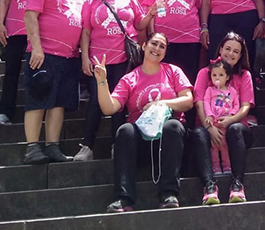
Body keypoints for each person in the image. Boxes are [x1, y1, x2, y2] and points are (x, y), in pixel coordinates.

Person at [93, 32, 193, 211]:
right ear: (144, 45)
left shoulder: (172, 71)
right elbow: (109, 108)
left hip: (170, 141)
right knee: (125, 130)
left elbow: (187, 101)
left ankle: (169, 193)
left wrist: (160, 103)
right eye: (154, 44)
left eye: (162, 46)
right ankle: (123, 198)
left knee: (173, 125)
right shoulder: (130, 78)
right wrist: (102, 82)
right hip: (142, 142)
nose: (157, 49)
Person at [75, 0, 144, 162]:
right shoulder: (90, 1)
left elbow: (140, 23)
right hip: (99, 61)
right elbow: (86, 32)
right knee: (96, 102)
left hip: (124, 60)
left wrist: (155, 10)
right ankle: (87, 146)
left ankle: (118, 145)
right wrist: (85, 57)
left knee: (119, 103)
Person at [23, 0, 87, 164]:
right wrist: (37, 47)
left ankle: (52, 146)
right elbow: (30, 15)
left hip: (69, 56)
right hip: (44, 54)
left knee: (59, 103)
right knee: (38, 100)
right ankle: (32, 148)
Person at [192, 32, 255, 205]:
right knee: (198, 134)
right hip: (209, 125)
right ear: (220, 49)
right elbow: (199, 103)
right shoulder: (205, 73)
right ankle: (209, 186)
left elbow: (245, 106)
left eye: (236, 51)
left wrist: (231, 120)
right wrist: (210, 128)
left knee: (235, 130)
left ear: (241, 55)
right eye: (227, 49)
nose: (231, 53)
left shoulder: (244, 76)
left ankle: (237, 185)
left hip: (236, 129)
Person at [203, 59, 241, 176]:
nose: (217, 78)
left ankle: (227, 166)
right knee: (214, 145)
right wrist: (209, 115)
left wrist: (232, 115)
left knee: (224, 145)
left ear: (227, 77)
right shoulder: (210, 90)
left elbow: (236, 104)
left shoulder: (232, 91)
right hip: (214, 122)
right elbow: (206, 102)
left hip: (226, 122)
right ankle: (215, 167)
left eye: (221, 75)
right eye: (214, 75)